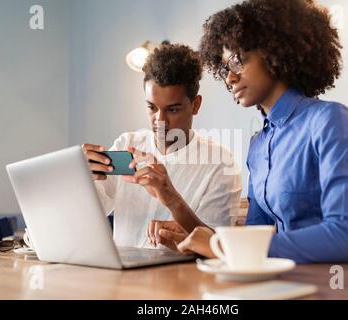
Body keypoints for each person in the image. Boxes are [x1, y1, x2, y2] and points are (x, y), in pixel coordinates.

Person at [150, 0, 348, 263]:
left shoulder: (328, 119)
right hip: (283, 284)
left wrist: (221, 245)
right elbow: (254, 240)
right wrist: (197, 240)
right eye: (224, 69)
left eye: (237, 60)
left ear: (273, 51)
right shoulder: (258, 145)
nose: (229, 77)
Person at [82, 43, 241, 248]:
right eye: (151, 107)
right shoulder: (127, 144)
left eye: (172, 110)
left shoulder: (220, 164)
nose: (160, 121)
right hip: (120, 275)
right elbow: (91, 213)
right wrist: (82, 178)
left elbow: (218, 248)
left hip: (181, 277)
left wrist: (172, 198)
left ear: (195, 105)